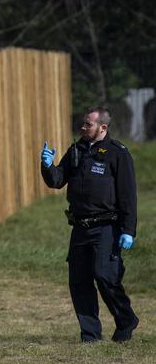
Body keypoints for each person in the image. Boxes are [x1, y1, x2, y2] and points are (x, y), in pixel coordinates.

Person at [40, 107, 139, 343]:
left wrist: (128, 231)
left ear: (102, 127)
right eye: (83, 124)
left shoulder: (118, 154)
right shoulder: (76, 150)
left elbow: (128, 195)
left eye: (88, 124)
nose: (83, 128)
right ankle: (90, 334)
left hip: (106, 227)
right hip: (80, 228)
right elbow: (56, 180)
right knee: (79, 281)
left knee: (105, 277)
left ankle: (126, 320)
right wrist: (47, 165)